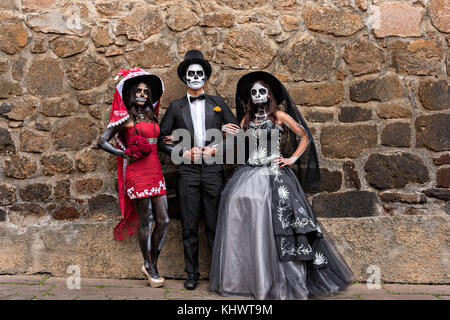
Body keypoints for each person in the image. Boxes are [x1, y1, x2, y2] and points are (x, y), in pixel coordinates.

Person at [209, 71, 354, 300]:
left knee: (274, 215)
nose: (257, 95)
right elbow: (233, 140)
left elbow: (304, 136)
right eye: (254, 92)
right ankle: (249, 277)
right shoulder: (247, 120)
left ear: (269, 95)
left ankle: (279, 278)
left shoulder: (279, 116)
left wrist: (291, 159)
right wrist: (216, 144)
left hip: (274, 173)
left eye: (261, 91)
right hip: (249, 172)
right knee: (236, 202)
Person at [157, 50, 240, 290]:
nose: (195, 77)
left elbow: (236, 133)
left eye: (199, 73)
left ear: (205, 77)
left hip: (214, 172)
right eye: (191, 73)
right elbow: (161, 141)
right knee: (189, 226)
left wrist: (218, 149)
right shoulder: (175, 107)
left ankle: (219, 275)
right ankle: (191, 273)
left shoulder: (218, 104)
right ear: (185, 77)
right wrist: (182, 153)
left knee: (215, 226)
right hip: (188, 173)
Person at [97, 68, 169, 287]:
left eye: (145, 92)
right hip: (137, 173)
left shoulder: (151, 115)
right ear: (130, 94)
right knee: (146, 219)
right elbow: (102, 141)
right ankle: (149, 265)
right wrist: (124, 152)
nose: (142, 95)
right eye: (138, 91)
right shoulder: (125, 118)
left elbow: (158, 141)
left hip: (155, 170)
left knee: (164, 220)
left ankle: (152, 262)